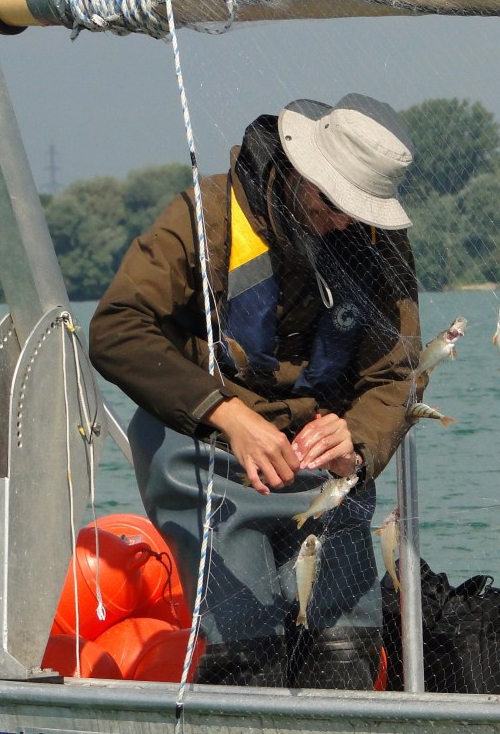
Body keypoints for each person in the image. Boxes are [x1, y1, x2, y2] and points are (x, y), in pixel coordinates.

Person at [89, 94, 424, 688]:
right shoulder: (207, 214)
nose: (344, 221)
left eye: (358, 210)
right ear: (300, 173)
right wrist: (228, 414)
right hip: (207, 449)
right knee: (246, 653)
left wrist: (360, 441)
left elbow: (396, 373)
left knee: (346, 646)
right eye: (333, 203)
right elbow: (116, 329)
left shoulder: (378, 243)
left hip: (322, 466)